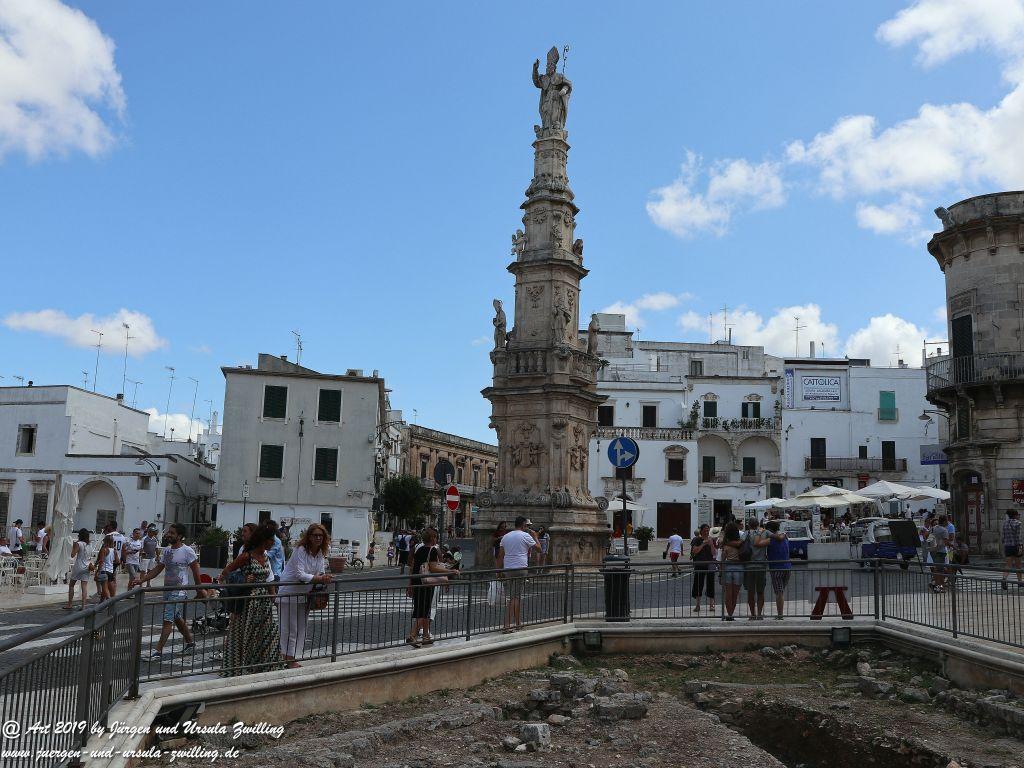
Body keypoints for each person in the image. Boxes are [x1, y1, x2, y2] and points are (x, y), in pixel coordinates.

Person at [130, 523, 207, 661]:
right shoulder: (166, 551)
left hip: (179, 591)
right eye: (168, 532)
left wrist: (199, 590)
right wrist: (142, 580)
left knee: (167, 619)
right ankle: (190, 643)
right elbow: (157, 569)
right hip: (167, 590)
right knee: (176, 617)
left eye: (172, 533)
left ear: (180, 536)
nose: (168, 535)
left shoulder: (187, 551)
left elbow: (196, 572)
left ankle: (158, 651)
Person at [218, 523, 281, 675]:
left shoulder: (265, 556)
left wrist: (274, 599)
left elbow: (269, 580)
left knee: (267, 634)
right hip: (249, 602)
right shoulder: (246, 556)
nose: (273, 543)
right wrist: (243, 579)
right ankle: (244, 667)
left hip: (263, 603)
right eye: (271, 540)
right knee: (249, 635)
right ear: (263, 540)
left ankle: (264, 666)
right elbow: (226, 572)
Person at [278, 522, 332, 668]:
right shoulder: (300, 550)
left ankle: (291, 656)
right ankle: (288, 658)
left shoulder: (320, 553)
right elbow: (300, 574)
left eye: (321, 535)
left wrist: (324, 577)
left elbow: (320, 571)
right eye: (315, 535)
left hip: (304, 594)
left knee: (301, 627)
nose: (318, 538)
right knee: (289, 628)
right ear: (309, 536)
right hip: (289, 593)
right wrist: (320, 578)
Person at [406, 528, 457, 647]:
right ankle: (412, 635)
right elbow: (433, 568)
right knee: (424, 610)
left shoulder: (419, 549)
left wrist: (410, 584)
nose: (436, 539)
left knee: (423, 609)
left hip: (417, 581)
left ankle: (425, 636)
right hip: (426, 583)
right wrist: (450, 571)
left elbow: (413, 567)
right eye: (436, 537)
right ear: (432, 538)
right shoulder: (432, 550)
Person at [497, 517, 539, 633]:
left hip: (508, 569)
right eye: (526, 526)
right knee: (515, 597)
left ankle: (518, 623)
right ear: (523, 525)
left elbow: (500, 556)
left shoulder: (506, 536)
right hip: (520, 568)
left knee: (514, 596)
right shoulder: (526, 536)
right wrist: (535, 536)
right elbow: (539, 549)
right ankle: (507, 625)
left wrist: (498, 572)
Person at [764, 520, 791, 620]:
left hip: (776, 568)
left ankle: (780, 614)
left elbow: (757, 543)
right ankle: (780, 614)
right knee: (781, 591)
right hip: (787, 567)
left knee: (779, 592)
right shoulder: (785, 537)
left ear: (769, 530)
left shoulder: (770, 540)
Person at [744, 519, 770, 621]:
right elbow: (775, 537)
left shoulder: (745, 534)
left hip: (749, 566)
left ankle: (752, 614)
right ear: (758, 524)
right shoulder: (765, 533)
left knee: (750, 592)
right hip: (761, 565)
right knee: (760, 591)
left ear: (749, 525)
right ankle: (759, 614)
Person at [64, 529, 94, 610]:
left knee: (71, 585)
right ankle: (83, 606)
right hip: (87, 567)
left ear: (80, 535)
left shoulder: (78, 544)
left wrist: (73, 546)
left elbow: (72, 555)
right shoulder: (90, 545)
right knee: (84, 586)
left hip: (78, 566)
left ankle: (70, 604)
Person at [720, 522, 744, 621]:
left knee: (728, 594)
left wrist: (720, 573)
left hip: (728, 567)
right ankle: (731, 613)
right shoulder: (740, 543)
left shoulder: (725, 544)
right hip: (739, 567)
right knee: (735, 594)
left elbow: (722, 559)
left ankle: (729, 614)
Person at [690, 524, 716, 612]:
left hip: (710, 564)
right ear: (701, 531)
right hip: (700, 564)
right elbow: (695, 551)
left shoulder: (711, 539)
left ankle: (711, 604)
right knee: (698, 584)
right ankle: (698, 605)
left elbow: (714, 553)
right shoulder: (697, 540)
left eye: (708, 530)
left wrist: (711, 544)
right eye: (705, 530)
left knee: (711, 584)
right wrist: (703, 544)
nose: (706, 532)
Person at [928, 515, 950, 592]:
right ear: (944, 521)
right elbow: (945, 542)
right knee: (940, 571)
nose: (947, 522)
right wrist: (939, 546)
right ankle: (940, 587)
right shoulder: (944, 530)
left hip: (933, 552)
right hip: (940, 552)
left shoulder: (932, 528)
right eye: (947, 520)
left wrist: (933, 548)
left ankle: (936, 586)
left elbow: (929, 540)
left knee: (936, 569)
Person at [1002, 509, 1023, 590]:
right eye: (1018, 515)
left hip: (1007, 546)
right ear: (1015, 515)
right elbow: (1018, 536)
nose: (1019, 516)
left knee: (1008, 565)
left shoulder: (1005, 523)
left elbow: (1003, 537)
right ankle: (1020, 582)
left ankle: (1004, 579)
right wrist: (1020, 547)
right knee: (1018, 566)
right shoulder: (1018, 523)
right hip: (1016, 546)